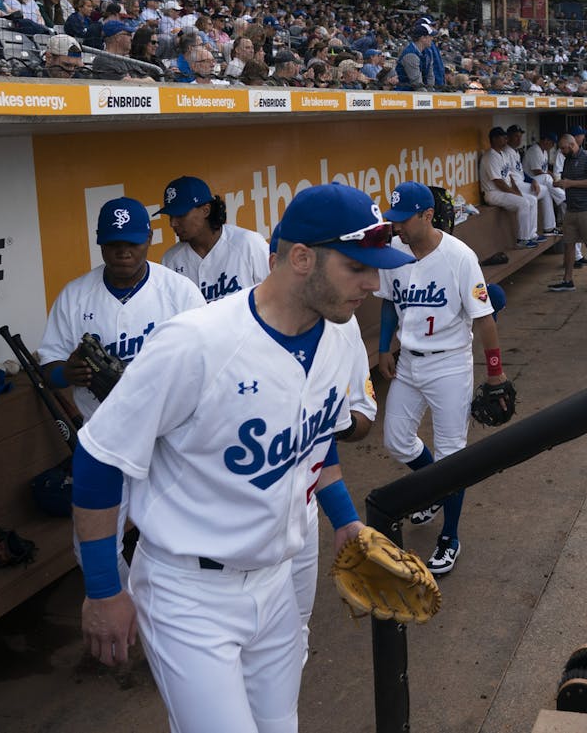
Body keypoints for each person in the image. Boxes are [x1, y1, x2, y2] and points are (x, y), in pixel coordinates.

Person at [73, 183, 411, 732]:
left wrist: (346, 521)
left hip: (276, 580)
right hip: (189, 592)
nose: (373, 284)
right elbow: (98, 459)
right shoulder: (195, 342)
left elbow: (316, 433)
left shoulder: (335, 336)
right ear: (302, 258)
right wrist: (102, 589)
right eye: (358, 267)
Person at [38, 197, 204, 575]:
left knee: (176, 537)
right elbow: (49, 366)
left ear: (148, 238)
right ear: (101, 243)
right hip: (104, 437)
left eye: (132, 242)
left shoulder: (179, 293)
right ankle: (121, 612)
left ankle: (161, 612)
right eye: (115, 244)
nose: (124, 252)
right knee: (91, 547)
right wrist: (69, 373)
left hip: (168, 436)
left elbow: (206, 365)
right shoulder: (75, 295)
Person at [376, 181, 507, 575]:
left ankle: (450, 536)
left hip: (450, 364)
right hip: (408, 363)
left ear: (427, 215)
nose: (396, 227)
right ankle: (433, 489)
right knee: (397, 440)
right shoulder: (395, 252)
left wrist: (496, 373)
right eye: (393, 219)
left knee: (453, 455)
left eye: (403, 219)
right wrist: (384, 347)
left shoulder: (459, 257)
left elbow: (484, 317)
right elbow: (387, 303)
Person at [158, 175, 271, 303]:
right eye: (170, 216)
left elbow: (277, 293)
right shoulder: (170, 260)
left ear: (206, 210)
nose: (173, 223)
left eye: (180, 215)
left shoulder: (248, 244)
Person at [547, 133, 587, 293]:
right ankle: (567, 280)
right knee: (569, 244)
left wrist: (569, 183)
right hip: (571, 208)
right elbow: (568, 181)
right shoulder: (568, 160)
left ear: (572, 145)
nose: (562, 152)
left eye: (564, 148)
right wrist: (561, 184)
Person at [480, 127, 541, 248]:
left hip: (503, 191)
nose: (506, 139)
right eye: (503, 137)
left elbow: (510, 178)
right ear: (495, 139)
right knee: (523, 203)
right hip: (493, 193)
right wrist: (514, 194)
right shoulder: (490, 156)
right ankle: (522, 240)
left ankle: (530, 235)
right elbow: (498, 182)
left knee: (532, 200)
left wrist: (517, 192)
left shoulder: (502, 154)